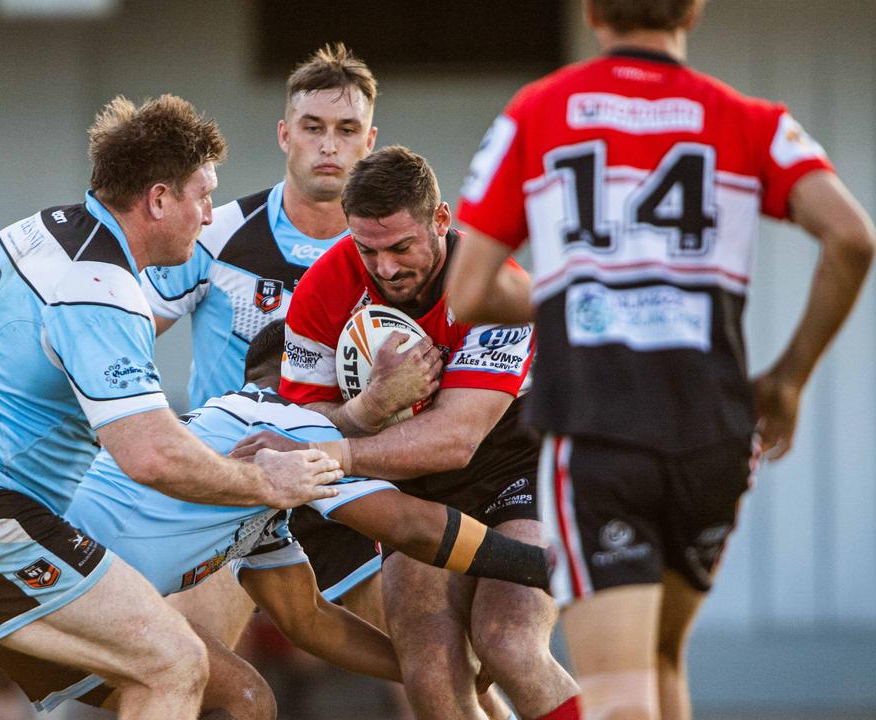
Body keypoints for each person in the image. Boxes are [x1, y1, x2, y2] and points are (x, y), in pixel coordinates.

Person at [0, 94, 347, 720]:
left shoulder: (37, 231)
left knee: (235, 696)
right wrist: (265, 481)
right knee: (176, 664)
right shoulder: (101, 284)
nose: (209, 214)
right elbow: (151, 455)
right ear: (158, 200)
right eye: (201, 195)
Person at [447, 2, 876, 719]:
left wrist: (576, 288)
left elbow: (468, 290)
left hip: (599, 433)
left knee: (619, 696)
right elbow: (854, 239)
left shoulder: (540, 110)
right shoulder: (749, 118)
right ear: (693, 9)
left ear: (590, 11)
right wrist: (791, 376)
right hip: (714, 433)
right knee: (663, 660)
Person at [0, 319, 551, 718]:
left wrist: (428, 667)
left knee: (218, 693)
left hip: (55, 597)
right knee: (234, 696)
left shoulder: (260, 477)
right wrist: (548, 569)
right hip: (60, 591)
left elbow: (308, 619)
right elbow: (411, 527)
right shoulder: (287, 424)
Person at [240, 146, 582, 719]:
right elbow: (300, 420)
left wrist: (328, 453)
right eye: (367, 249)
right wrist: (371, 405)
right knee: (427, 664)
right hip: (412, 480)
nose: (387, 267)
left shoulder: (493, 285)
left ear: (441, 221)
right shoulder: (325, 288)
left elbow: (457, 439)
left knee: (509, 641)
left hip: (517, 463)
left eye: (402, 247)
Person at [142, 41, 387, 651]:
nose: (328, 145)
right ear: (285, 134)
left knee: (429, 666)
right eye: (313, 127)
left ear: (370, 141)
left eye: (345, 129)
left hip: (344, 477)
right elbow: (123, 333)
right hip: (234, 481)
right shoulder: (218, 233)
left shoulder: (394, 255)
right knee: (198, 673)